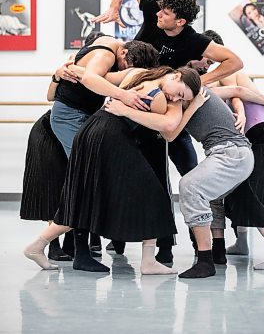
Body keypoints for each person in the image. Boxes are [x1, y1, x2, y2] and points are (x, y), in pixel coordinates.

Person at [94, 0, 243, 262]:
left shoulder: (193, 40)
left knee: (186, 169)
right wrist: (113, 8)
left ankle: (198, 244)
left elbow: (234, 61)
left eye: (166, 13)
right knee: (133, 173)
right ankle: (120, 238)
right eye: (159, 10)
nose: (158, 14)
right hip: (135, 101)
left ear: (181, 20)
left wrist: (196, 83)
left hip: (166, 106)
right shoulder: (153, 10)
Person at [24, 66, 201, 275]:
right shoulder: (159, 97)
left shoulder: (139, 73)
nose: (176, 98)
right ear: (176, 76)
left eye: (181, 98)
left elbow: (96, 76)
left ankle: (36, 246)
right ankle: (148, 261)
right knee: (154, 195)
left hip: (93, 130)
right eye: (179, 93)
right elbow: (169, 127)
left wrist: (71, 69)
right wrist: (190, 107)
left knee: (85, 199)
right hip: (109, 136)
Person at [107, 85, 264, 278]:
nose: (174, 96)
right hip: (231, 152)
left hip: (232, 153)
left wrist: (256, 105)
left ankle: (206, 260)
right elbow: (236, 91)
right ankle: (216, 253)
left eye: (180, 94)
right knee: (222, 199)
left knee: (191, 187)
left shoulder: (192, 95)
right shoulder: (188, 94)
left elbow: (170, 133)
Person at [21, 33, 159, 260]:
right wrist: (123, 94)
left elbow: (89, 76)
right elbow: (90, 79)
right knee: (85, 179)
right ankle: (65, 248)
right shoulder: (105, 53)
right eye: (127, 67)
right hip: (69, 118)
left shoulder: (104, 48)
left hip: (78, 116)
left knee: (86, 179)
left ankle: (74, 246)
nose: (125, 72)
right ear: (123, 53)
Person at [193, 29, 264, 270]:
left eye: (209, 58)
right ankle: (242, 242)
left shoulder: (228, 70)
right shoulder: (218, 76)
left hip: (263, 137)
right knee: (236, 190)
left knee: (248, 194)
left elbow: (238, 95)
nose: (207, 63)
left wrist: (249, 108)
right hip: (254, 138)